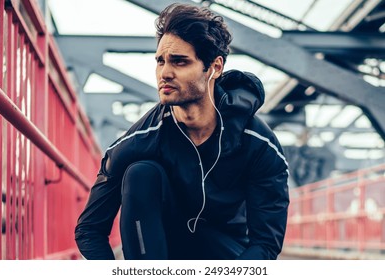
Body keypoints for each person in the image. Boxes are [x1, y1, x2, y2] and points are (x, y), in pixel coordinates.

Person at [75, 3, 289, 260]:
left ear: (215, 67)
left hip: (224, 256)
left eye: (179, 61)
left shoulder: (259, 144)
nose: (165, 73)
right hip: (158, 253)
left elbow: (265, 243)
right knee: (140, 173)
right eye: (160, 61)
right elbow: (89, 229)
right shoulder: (137, 141)